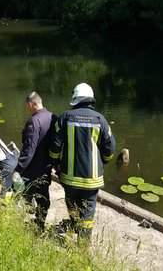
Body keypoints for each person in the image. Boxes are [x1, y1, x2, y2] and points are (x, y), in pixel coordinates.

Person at [50, 83, 116, 240]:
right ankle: (83, 244)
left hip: (69, 178)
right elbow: (110, 146)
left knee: (72, 204)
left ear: (75, 100)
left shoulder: (66, 117)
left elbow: (55, 145)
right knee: (88, 212)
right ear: (90, 100)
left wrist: (54, 162)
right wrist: (105, 161)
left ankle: (74, 224)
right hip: (92, 180)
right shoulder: (101, 119)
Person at [16, 91, 57, 230]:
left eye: (27, 106)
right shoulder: (53, 117)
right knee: (43, 196)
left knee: (24, 192)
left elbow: (29, 149)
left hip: (33, 167)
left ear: (30, 104)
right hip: (47, 165)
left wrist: (19, 168)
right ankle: (40, 223)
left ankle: (27, 222)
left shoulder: (34, 121)